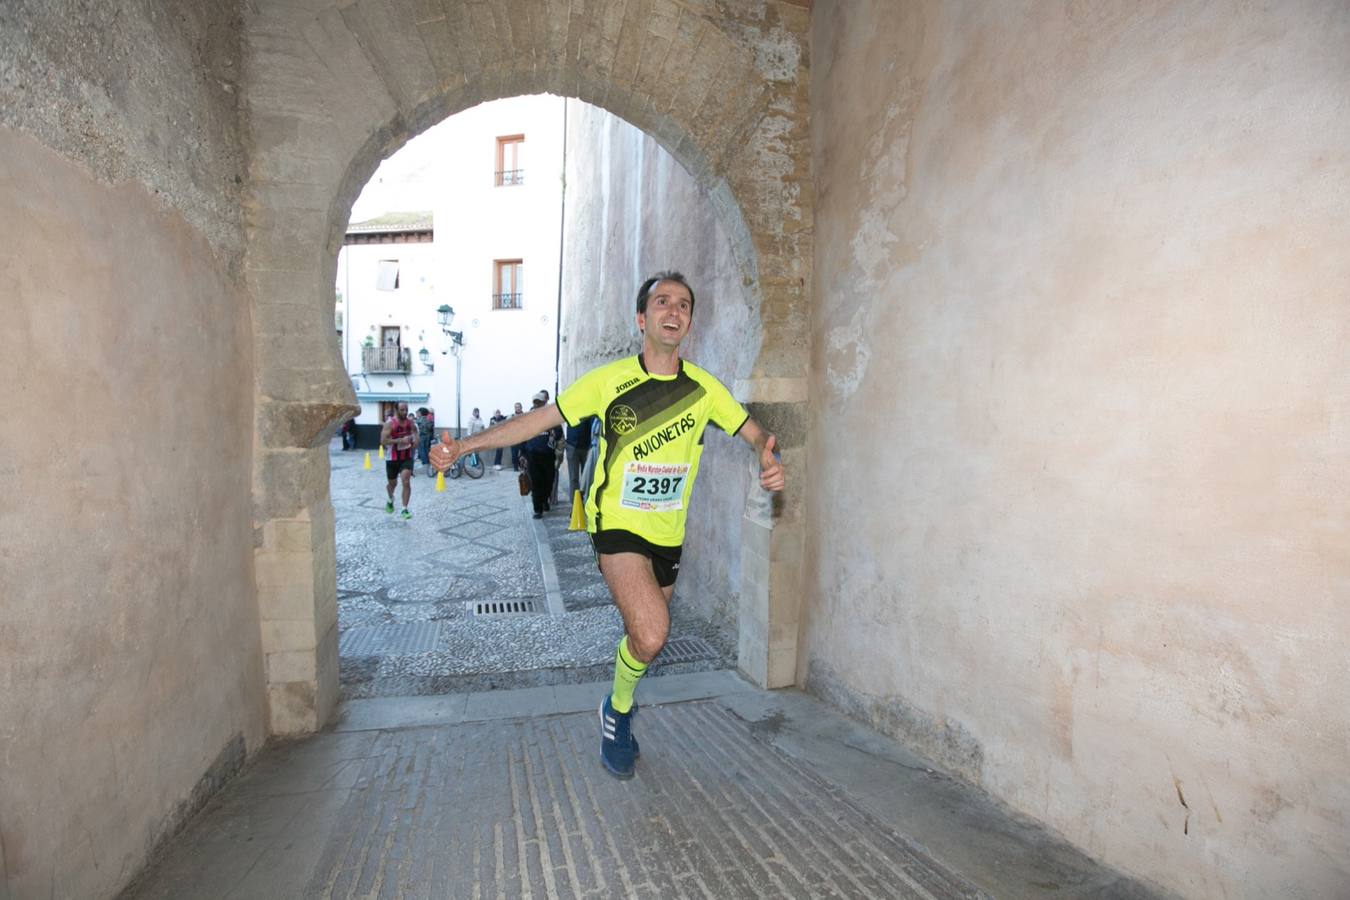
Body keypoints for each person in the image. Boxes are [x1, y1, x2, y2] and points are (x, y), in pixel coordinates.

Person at [430, 271, 784, 780]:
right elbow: (541, 420)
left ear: (688, 322)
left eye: (683, 305)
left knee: (643, 640)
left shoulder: (704, 390)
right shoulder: (609, 381)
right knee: (654, 631)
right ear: (643, 319)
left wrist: (769, 456)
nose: (674, 310)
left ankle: (616, 702)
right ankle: (619, 714)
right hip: (615, 524)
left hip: (668, 534)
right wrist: (464, 446)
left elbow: (755, 432)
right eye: (662, 301)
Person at [522, 392, 563, 518]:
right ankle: (537, 509)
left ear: (544, 403)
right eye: (535, 402)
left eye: (539, 402)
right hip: (533, 454)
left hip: (548, 454)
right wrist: (522, 454)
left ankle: (545, 500)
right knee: (536, 482)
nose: (537, 404)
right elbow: (522, 437)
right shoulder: (528, 418)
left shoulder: (551, 417)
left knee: (548, 481)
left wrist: (553, 433)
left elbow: (559, 433)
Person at [380, 402, 418, 520]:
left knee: (406, 481)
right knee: (393, 484)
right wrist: (399, 441)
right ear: (396, 410)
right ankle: (390, 499)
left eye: (406, 409)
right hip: (392, 458)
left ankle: (404, 509)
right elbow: (383, 441)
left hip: (406, 457)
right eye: (402, 410)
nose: (405, 412)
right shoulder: (390, 424)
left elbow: (416, 434)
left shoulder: (411, 423)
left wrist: (416, 441)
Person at [565, 414, 593, 499]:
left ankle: (585, 501)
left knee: (586, 477)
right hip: (571, 446)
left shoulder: (589, 409)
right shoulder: (570, 407)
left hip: (586, 447)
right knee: (573, 478)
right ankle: (575, 504)